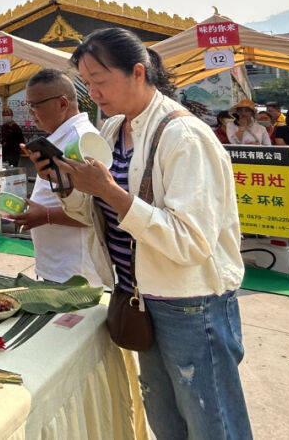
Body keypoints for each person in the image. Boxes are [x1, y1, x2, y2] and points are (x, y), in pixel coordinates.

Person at [30, 27, 250, 440]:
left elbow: (191, 241)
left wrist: (108, 190)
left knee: (212, 425)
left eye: (100, 80)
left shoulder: (184, 136)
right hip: (139, 297)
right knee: (166, 422)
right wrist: (65, 183)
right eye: (87, 83)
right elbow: (95, 214)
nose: (93, 92)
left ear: (137, 72)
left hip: (191, 305)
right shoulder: (112, 131)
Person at [9, 70, 102, 286]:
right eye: (29, 106)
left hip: (75, 272)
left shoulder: (80, 141)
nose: (31, 112)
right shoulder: (63, 137)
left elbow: (97, 211)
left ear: (62, 104)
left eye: (35, 105)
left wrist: (46, 215)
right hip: (59, 267)